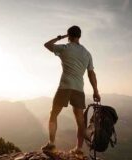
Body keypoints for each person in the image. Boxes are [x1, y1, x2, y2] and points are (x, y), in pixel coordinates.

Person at [41, 25, 101, 156]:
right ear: (80, 36)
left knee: (53, 115)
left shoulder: (65, 48)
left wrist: (60, 37)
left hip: (65, 87)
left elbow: (47, 44)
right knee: (80, 120)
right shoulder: (87, 53)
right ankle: (79, 149)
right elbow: (91, 74)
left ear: (69, 36)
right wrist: (96, 91)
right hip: (79, 89)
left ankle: (51, 144)